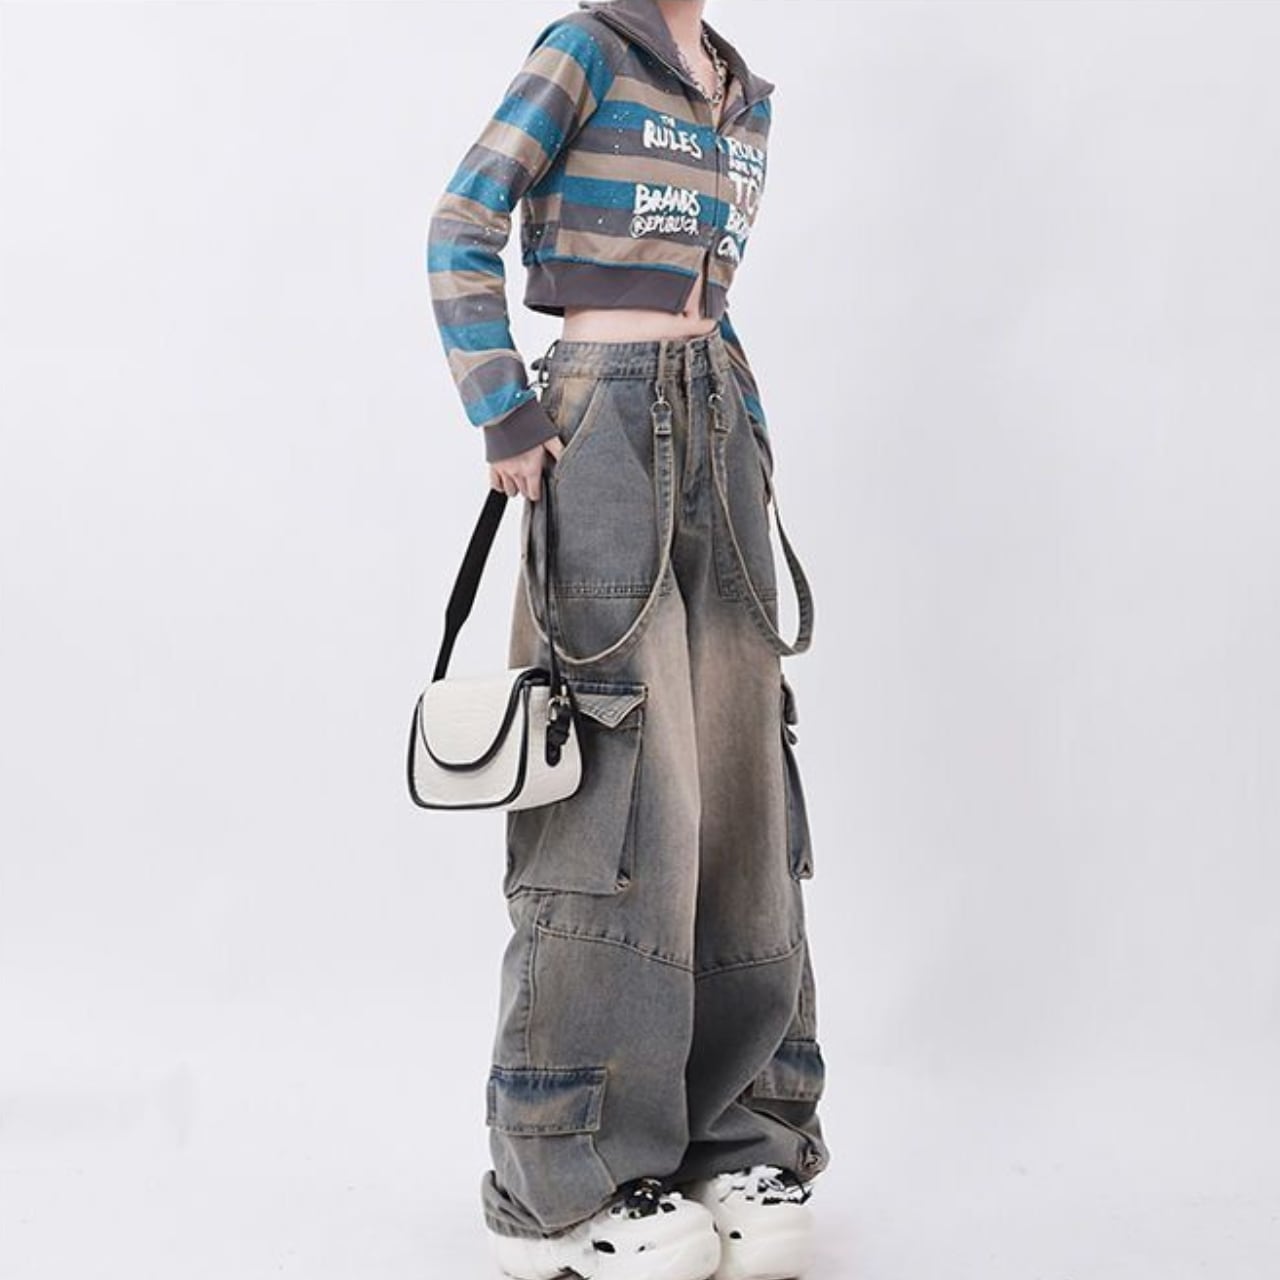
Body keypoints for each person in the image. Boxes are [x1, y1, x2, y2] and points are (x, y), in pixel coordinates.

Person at [425, 2, 829, 1277]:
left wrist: (742, 434)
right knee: (615, 789)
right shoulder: (585, 49)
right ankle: (567, 1169)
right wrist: (504, 410)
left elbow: (708, 292)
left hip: (719, 422)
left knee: (739, 781)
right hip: (597, 420)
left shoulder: (741, 91)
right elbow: (460, 221)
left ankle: (736, 1133)